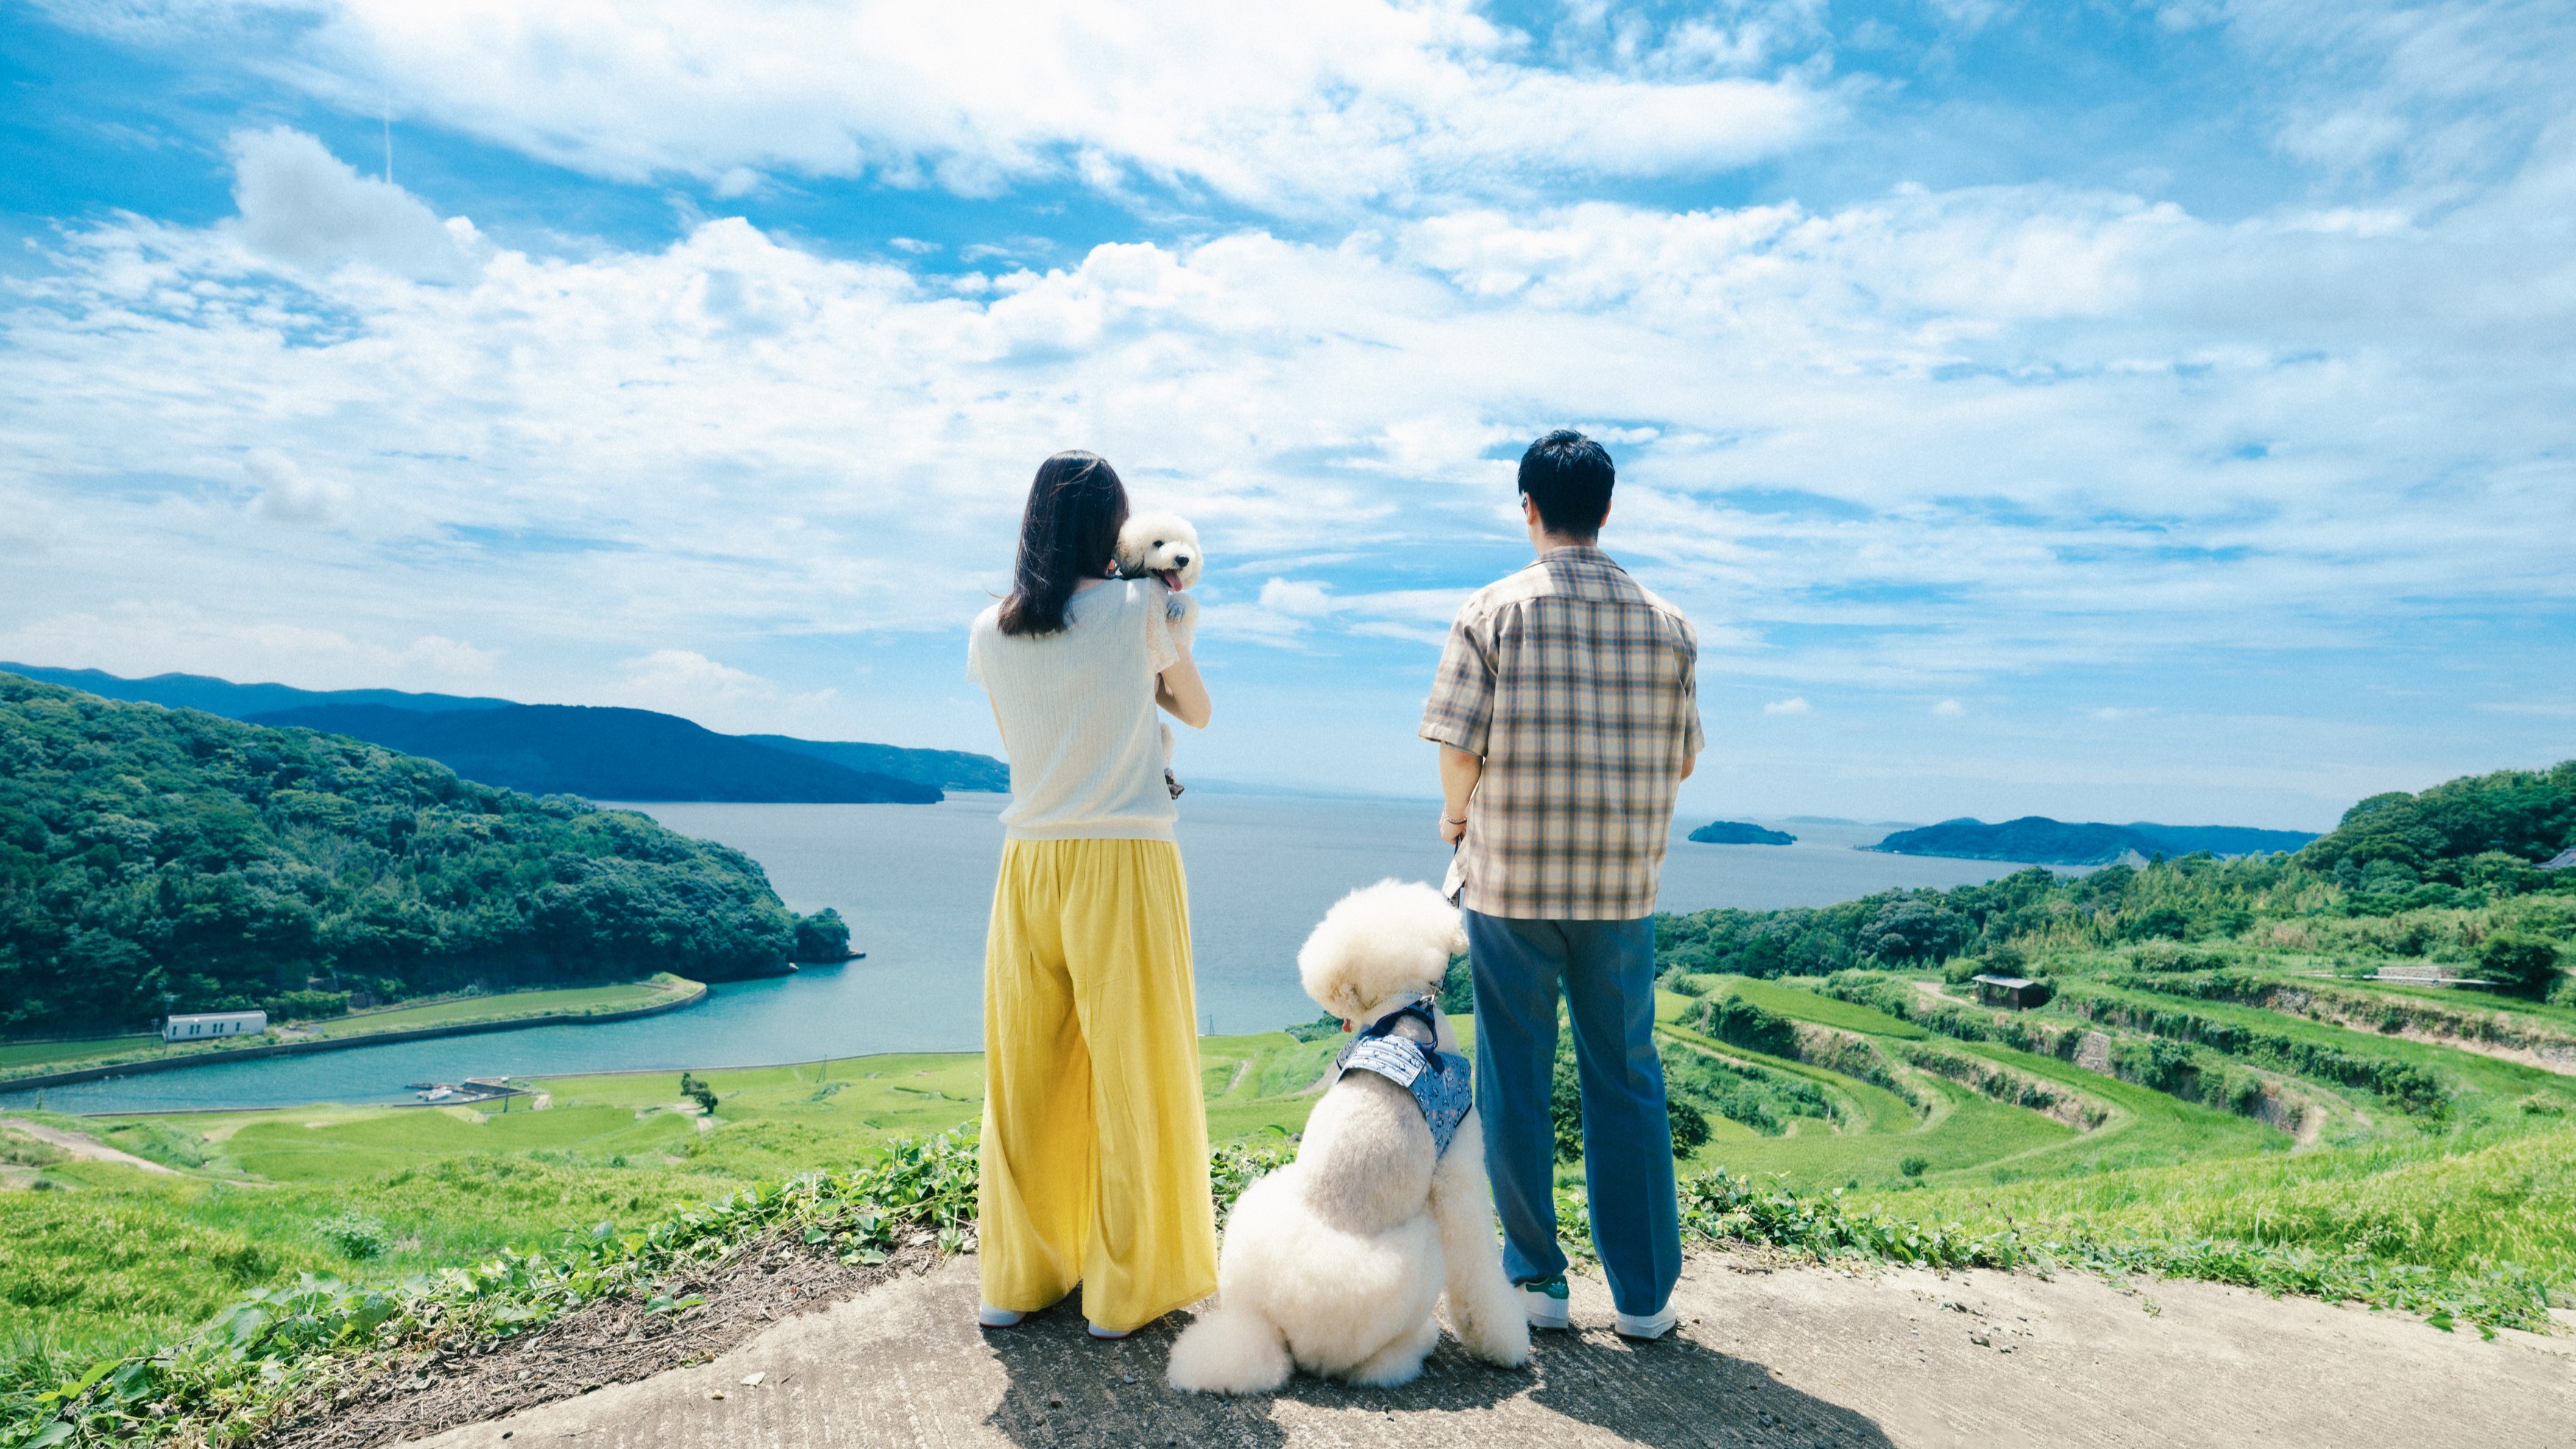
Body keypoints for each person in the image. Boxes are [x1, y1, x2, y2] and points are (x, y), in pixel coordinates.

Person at [1418, 429, 1704, 1340]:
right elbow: (1683, 762)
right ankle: (1645, 1298)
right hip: (1620, 890)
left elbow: (1459, 746)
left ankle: (1536, 1280)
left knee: (1515, 1077)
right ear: (1608, 509)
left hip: (1509, 883)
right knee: (1625, 1078)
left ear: (1527, 506)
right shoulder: (1668, 622)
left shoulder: (1490, 610)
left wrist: (1455, 821)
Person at [966, 450, 1217, 1339]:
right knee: (1136, 1070)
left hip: (1029, 859)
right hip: (1124, 855)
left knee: (1026, 1076)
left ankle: (1017, 1279)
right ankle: (1125, 1290)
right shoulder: (1140, 607)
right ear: (1112, 527)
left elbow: (1021, 739)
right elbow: (1194, 711)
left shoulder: (990, 629)